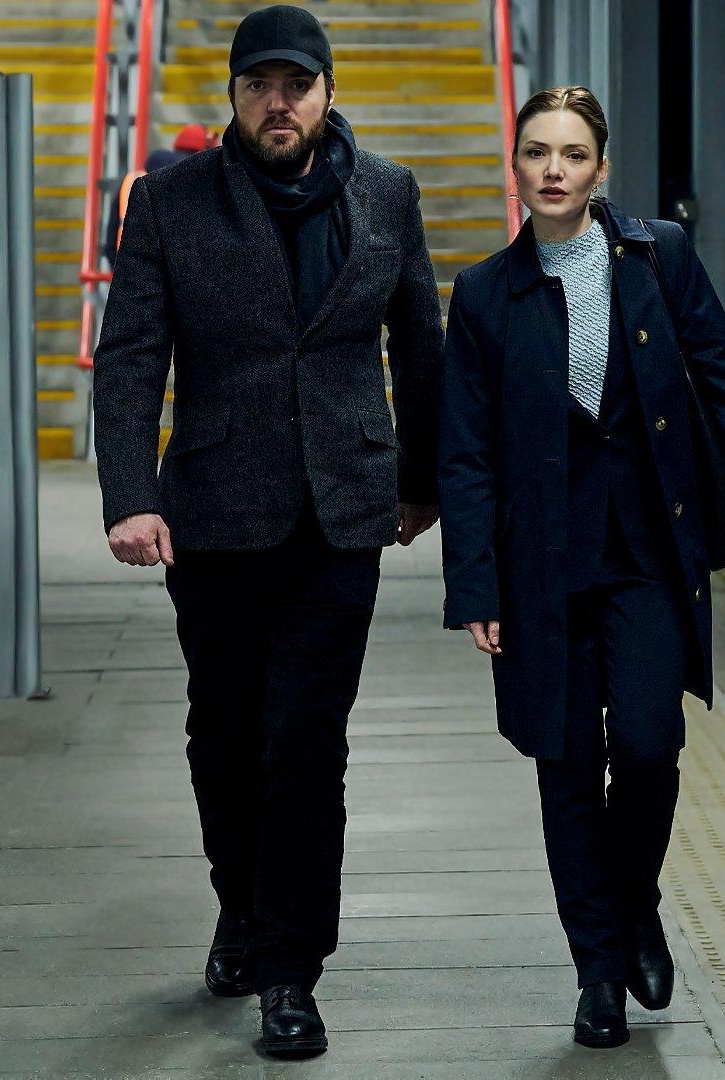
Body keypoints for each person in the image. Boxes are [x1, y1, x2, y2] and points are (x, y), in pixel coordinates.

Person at [91, 4, 443, 1059]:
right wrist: (130, 495)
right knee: (227, 734)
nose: (277, 103)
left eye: (296, 85)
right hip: (215, 510)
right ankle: (239, 904)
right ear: (235, 97)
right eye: (259, 86)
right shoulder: (171, 200)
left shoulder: (386, 193)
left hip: (343, 511)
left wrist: (422, 480)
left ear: (328, 92)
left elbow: (419, 342)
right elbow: (130, 355)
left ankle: (291, 969)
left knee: (307, 743)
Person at [438, 87, 725, 1049]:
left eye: (572, 154)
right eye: (536, 153)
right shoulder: (483, 294)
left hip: (646, 553)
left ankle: (634, 900)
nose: (553, 170)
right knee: (566, 768)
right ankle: (598, 972)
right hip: (541, 567)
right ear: (515, 169)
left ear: (601, 170)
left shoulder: (658, 259)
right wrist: (474, 582)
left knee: (647, 746)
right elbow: (466, 454)